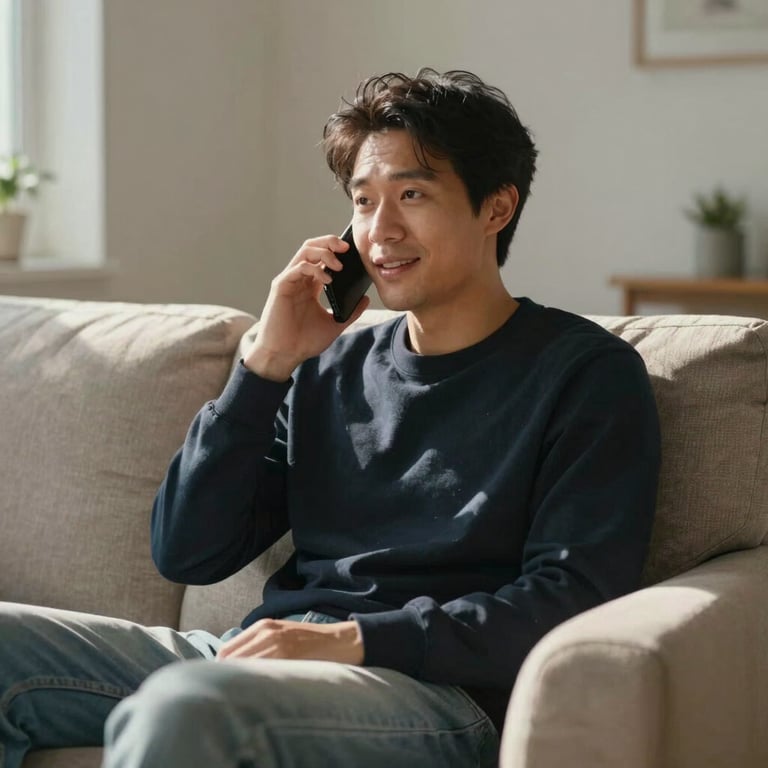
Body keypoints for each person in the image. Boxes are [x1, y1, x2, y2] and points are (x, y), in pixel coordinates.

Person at [0, 68, 660, 768]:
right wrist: (263, 366)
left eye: (412, 194)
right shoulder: (327, 367)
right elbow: (188, 551)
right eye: (363, 201)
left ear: (496, 208)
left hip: (428, 692)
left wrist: (350, 640)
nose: (381, 232)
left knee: (189, 704)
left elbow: (569, 598)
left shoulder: (586, 374)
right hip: (267, 656)